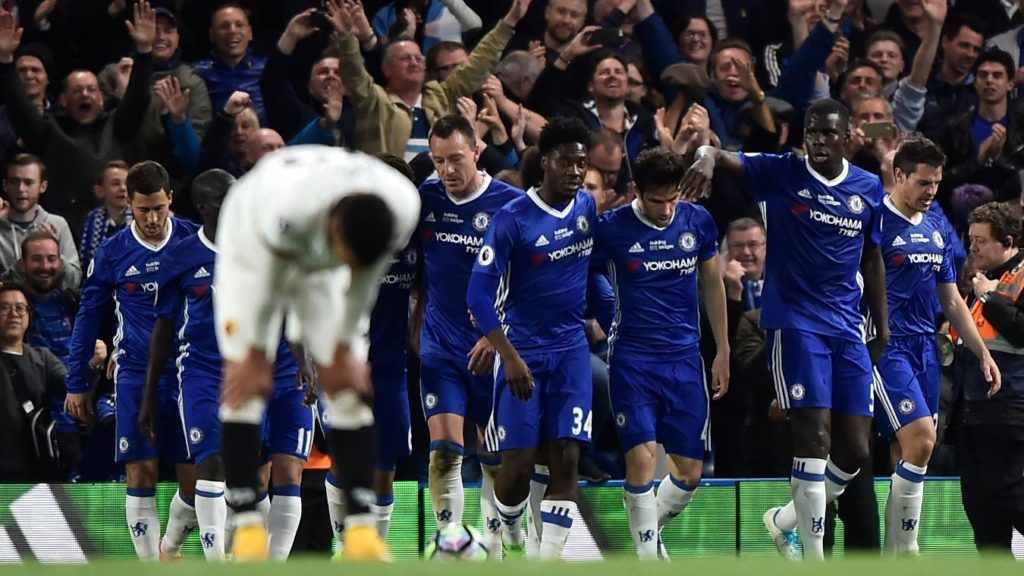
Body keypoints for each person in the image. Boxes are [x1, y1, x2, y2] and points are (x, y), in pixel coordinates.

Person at [680, 98, 889, 560]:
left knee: (854, 448)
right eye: (811, 132)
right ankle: (813, 560)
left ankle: (784, 520)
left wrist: (882, 325)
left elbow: (872, 258)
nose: (816, 141)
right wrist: (705, 156)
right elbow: (723, 155)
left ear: (847, 136)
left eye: (827, 133)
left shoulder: (868, 187)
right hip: (795, 322)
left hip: (847, 326)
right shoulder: (783, 172)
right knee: (813, 438)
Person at [213, 145, 419, 561]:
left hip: (323, 250)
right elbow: (272, 287)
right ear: (334, 228)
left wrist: (341, 346)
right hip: (254, 238)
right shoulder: (285, 210)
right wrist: (255, 351)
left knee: (348, 385)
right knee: (245, 382)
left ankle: (361, 531)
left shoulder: (403, 204)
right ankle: (247, 522)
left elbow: (363, 277)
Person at [141, 168, 313, 561]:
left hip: (272, 371)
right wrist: (149, 394)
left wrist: (306, 364)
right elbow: (164, 328)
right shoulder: (181, 258)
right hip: (205, 373)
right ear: (203, 208)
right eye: (224, 199)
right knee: (213, 465)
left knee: (278, 475)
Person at [466, 117, 596, 559]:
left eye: (582, 163)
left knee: (567, 456)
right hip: (522, 352)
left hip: (571, 351)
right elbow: (477, 296)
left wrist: (605, 314)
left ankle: (548, 560)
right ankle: (506, 526)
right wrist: (509, 355)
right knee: (518, 465)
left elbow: (592, 273)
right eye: (566, 162)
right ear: (545, 162)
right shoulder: (511, 219)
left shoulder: (587, 208)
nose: (576, 171)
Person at [590, 148, 729, 559]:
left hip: (685, 359)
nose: (667, 209)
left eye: (673, 199)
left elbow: (713, 286)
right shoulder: (611, 228)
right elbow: (586, 272)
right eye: (657, 200)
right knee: (642, 460)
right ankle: (648, 558)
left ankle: (642, 527)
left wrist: (721, 349)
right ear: (636, 190)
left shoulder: (697, 221)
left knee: (689, 473)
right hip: (632, 360)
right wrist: (604, 310)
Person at [62, 161, 200, 561]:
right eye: (144, 211)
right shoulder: (112, 252)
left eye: (159, 208)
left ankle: (169, 547)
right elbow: (89, 315)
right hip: (135, 373)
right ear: (130, 207)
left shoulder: (194, 241)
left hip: (189, 373)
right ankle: (149, 567)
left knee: (196, 481)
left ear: (171, 199)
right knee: (141, 473)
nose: (153, 219)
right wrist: (76, 382)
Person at [875, 135, 1000, 555]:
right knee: (923, 439)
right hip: (882, 344)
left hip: (924, 347)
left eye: (936, 183)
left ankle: (893, 554)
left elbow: (949, 297)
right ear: (898, 175)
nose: (931, 191)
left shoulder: (935, 226)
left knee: (910, 451)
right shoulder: (874, 219)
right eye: (923, 183)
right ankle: (908, 550)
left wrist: (981, 351)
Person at [416, 115, 521, 555]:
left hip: (491, 351)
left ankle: (499, 545)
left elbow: (526, 286)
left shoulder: (510, 205)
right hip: (440, 347)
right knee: (444, 451)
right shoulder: (425, 198)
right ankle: (451, 544)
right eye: (438, 161)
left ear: (477, 152)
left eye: (456, 159)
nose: (447, 171)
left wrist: (495, 337)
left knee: (496, 460)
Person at [952, 201, 1024, 555]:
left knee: (1008, 494)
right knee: (980, 508)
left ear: (1007, 241)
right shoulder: (974, 283)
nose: (973, 248)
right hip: (971, 410)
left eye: (981, 241)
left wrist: (989, 296)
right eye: (970, 239)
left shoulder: (1018, 276)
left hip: (1010, 406)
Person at [353, 154, 419, 542]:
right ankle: (346, 546)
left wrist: (421, 322)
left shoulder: (415, 239)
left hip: (392, 365)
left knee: (386, 461)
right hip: (348, 361)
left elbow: (426, 283)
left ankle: (372, 548)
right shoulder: (345, 235)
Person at [0, 283, 74, 482]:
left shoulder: (42, 357)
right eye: (5, 308)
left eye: (20, 308)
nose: (14, 313)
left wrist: (93, 364)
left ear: (29, 315)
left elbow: (74, 389)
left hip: (35, 471)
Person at [0, 154, 81, 289]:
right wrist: (20, 268)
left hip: (53, 307)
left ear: (42, 186)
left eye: (28, 182)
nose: (21, 189)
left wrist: (55, 254)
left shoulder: (58, 224)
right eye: (14, 182)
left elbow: (74, 281)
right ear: (5, 185)